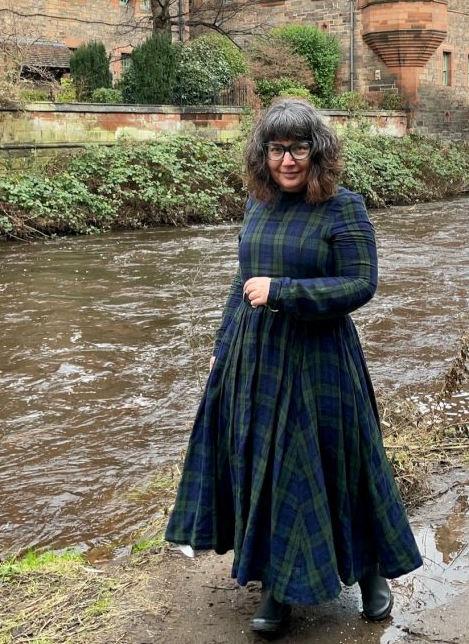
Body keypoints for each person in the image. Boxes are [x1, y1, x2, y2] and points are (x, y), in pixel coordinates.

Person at [165, 99, 422, 635]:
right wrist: (221, 344)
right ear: (262, 154)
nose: (287, 160)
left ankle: (370, 572)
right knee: (269, 467)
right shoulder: (257, 205)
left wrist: (284, 292)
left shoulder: (343, 208)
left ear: (317, 152)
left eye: (298, 148)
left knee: (342, 464)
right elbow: (241, 282)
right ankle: (277, 587)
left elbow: (361, 284)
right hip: (256, 356)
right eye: (277, 149)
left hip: (322, 358)